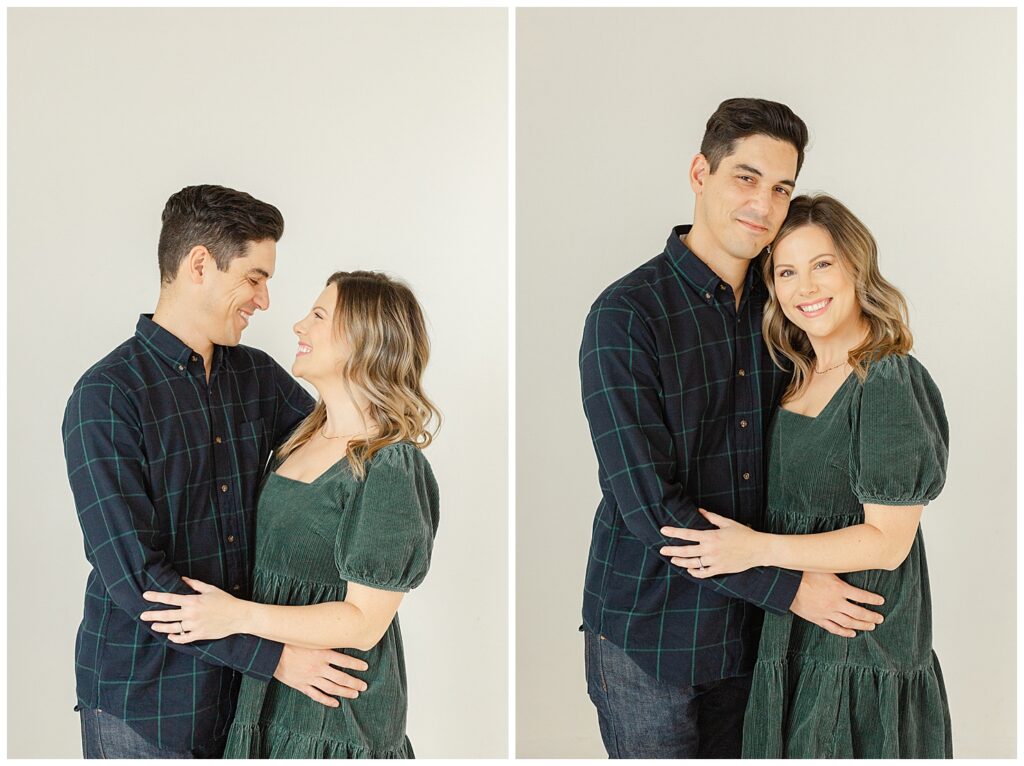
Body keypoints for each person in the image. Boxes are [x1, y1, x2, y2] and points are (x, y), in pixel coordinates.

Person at [578, 98, 888, 759]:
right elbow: (649, 509)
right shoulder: (625, 317)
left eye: (782, 188)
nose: (765, 205)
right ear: (700, 173)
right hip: (650, 637)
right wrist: (793, 586)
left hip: (757, 638)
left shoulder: (787, 312)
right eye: (745, 178)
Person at [62, 185, 369, 759]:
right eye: (255, 277)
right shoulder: (107, 396)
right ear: (200, 263)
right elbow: (138, 583)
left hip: (248, 704)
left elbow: (338, 460)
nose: (265, 300)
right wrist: (275, 655)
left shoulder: (256, 375)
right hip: (147, 702)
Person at [660, 194, 951, 758]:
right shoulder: (793, 379)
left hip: (858, 642)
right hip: (792, 632)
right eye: (787, 272)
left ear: (856, 265)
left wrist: (753, 549)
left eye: (823, 264)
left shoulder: (887, 378)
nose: (805, 288)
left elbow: (889, 544)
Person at [138, 270, 440, 759]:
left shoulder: (389, 464)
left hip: (333, 711)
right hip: (265, 696)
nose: (298, 326)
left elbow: (365, 623)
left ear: (365, 338)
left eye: (318, 316)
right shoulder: (297, 441)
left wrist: (233, 616)